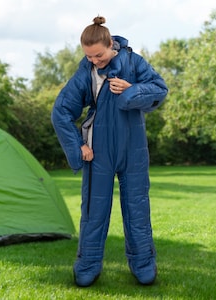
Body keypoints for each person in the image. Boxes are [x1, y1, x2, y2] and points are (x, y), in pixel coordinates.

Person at [51, 16, 168, 287]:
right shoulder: (86, 72)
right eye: (89, 56)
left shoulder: (134, 62)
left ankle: (143, 265)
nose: (94, 60)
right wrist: (79, 146)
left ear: (110, 44)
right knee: (94, 212)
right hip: (98, 150)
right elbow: (61, 112)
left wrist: (131, 91)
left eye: (98, 55)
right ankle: (88, 266)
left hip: (134, 150)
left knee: (138, 209)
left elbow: (160, 89)